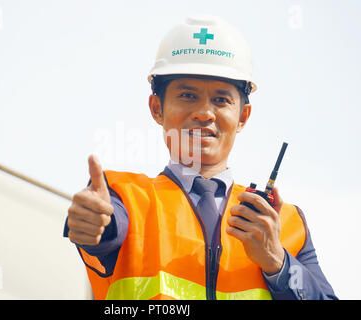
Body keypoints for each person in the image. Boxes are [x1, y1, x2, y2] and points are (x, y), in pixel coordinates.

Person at [63, 15, 337, 300]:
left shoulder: (288, 223)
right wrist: (93, 223)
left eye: (221, 100)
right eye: (187, 96)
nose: (205, 113)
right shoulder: (123, 197)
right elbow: (107, 228)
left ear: (243, 116)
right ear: (157, 108)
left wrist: (277, 261)